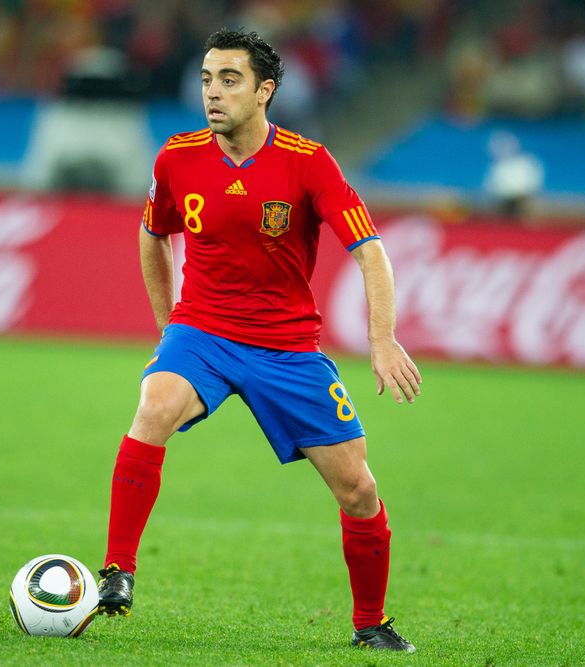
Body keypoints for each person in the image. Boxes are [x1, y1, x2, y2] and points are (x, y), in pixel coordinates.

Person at [96, 28, 421, 653]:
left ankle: (370, 624)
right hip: (204, 332)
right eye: (206, 80)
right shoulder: (176, 156)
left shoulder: (308, 161)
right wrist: (170, 329)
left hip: (288, 348)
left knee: (358, 490)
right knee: (154, 404)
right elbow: (152, 233)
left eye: (229, 80)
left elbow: (371, 251)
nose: (213, 94)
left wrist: (383, 340)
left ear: (265, 90)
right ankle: (118, 571)